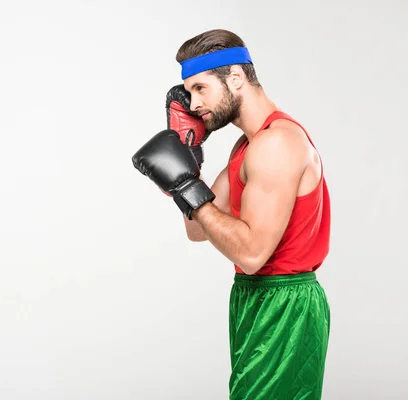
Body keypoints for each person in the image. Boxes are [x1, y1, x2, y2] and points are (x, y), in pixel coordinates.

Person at [132, 29, 331, 399]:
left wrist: (188, 188)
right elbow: (200, 229)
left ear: (235, 78)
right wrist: (190, 164)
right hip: (253, 297)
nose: (191, 105)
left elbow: (252, 254)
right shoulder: (248, 145)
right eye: (188, 92)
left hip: (282, 301)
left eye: (200, 88)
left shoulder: (276, 143)